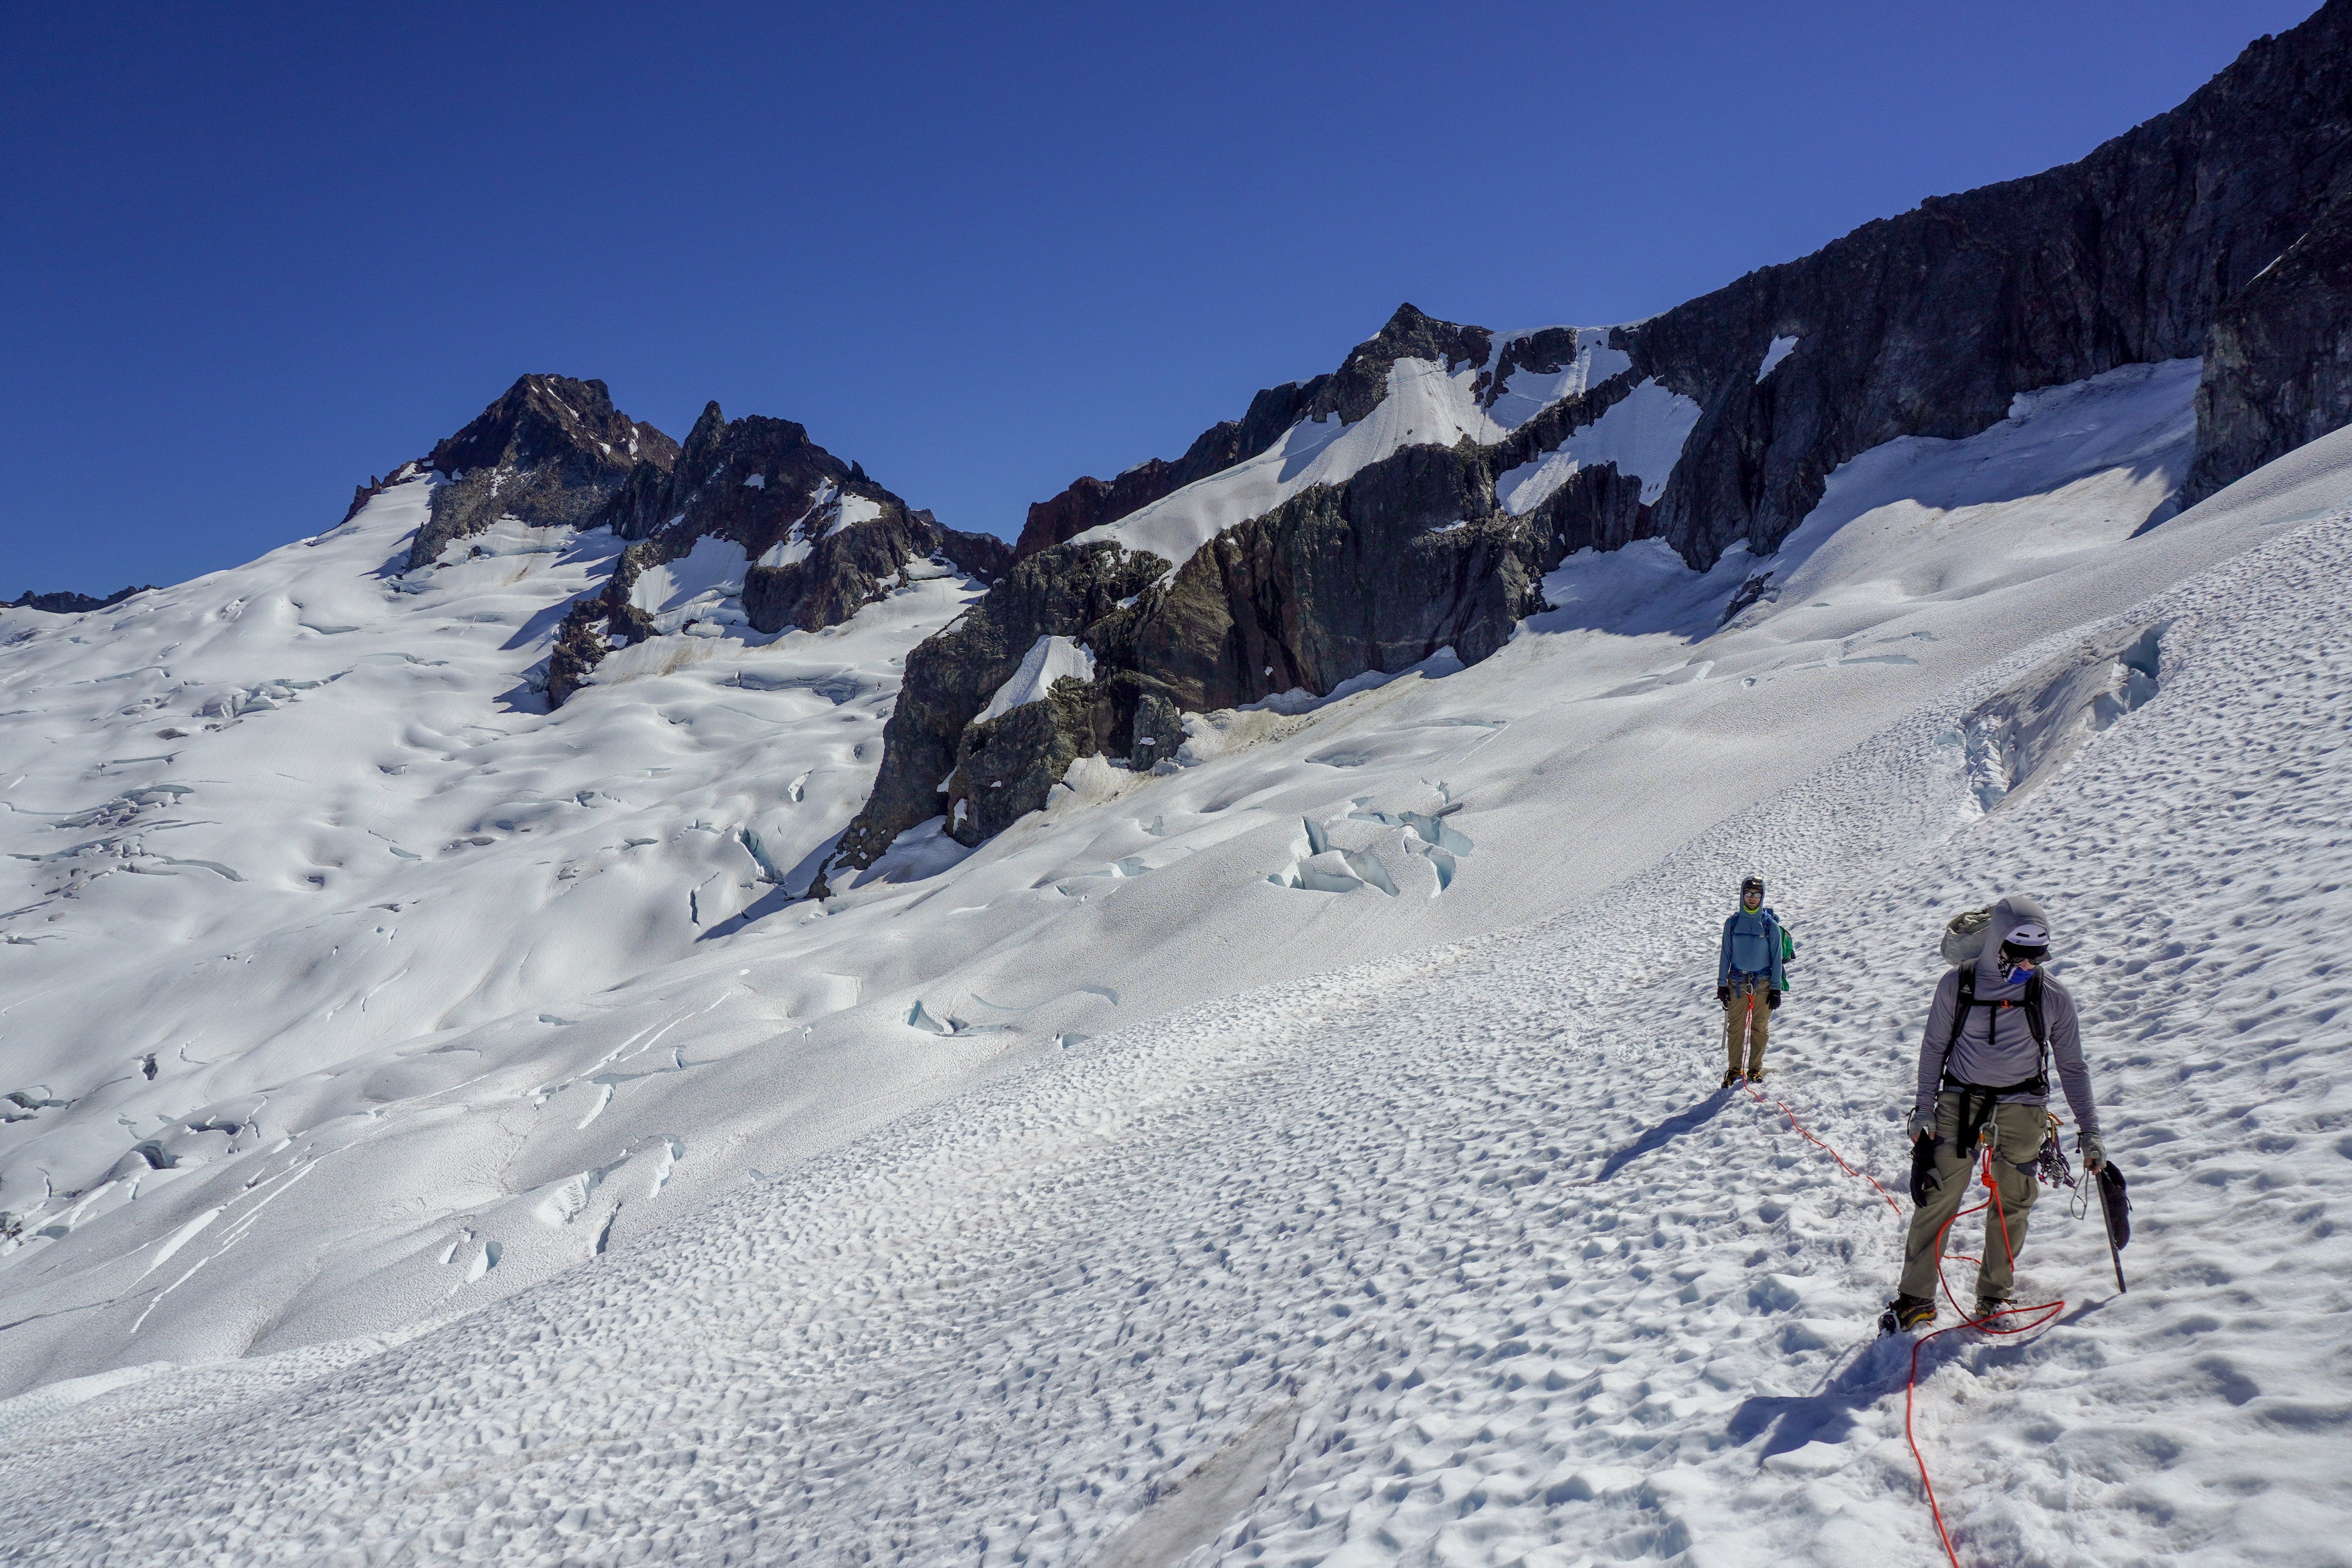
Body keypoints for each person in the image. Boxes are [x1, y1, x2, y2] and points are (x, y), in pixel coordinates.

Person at [1889, 894, 2106, 1329]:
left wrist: (2091, 1130)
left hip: (2024, 1105)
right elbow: (1933, 1048)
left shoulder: (2051, 996)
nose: (2028, 965)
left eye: (2036, 957)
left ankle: (1994, 1294)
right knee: (1937, 1194)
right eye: (2018, 955)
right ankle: (1916, 1298)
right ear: (1996, 945)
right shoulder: (1958, 984)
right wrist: (1924, 1109)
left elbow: (2073, 1065)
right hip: (1959, 1101)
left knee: (2014, 1200)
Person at [1717, 875, 1784, 1086]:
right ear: (1742, 895)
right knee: (1736, 1028)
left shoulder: (1769, 926)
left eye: (1757, 894)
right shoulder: (1733, 923)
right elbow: (1725, 954)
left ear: (1762, 896)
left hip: (1763, 983)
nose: (1752, 898)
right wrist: (1721, 984)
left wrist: (1776, 988)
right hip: (1737, 981)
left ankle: (1755, 1069)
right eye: (1748, 894)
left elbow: (1776, 957)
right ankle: (1734, 1069)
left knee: (1760, 1028)